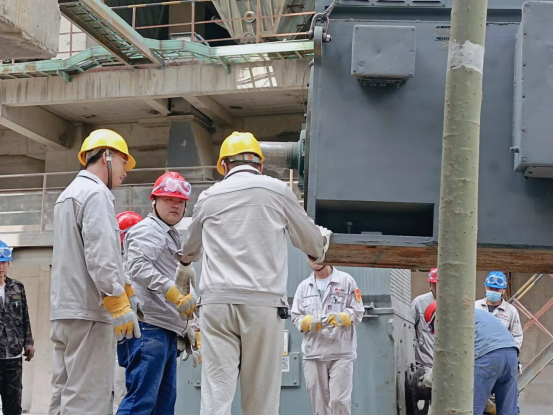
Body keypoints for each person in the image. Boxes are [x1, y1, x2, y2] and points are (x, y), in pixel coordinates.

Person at [180, 131, 332, 415]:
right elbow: (311, 244)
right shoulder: (277, 190)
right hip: (262, 304)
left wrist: (186, 265)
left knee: (215, 396)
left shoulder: (209, 197)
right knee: (261, 401)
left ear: (224, 165)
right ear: (260, 164)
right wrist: (322, 239)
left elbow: (189, 248)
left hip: (216, 305)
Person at [49, 129, 141, 415]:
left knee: (63, 395)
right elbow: (101, 255)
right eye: (124, 162)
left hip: (64, 312)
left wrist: (127, 289)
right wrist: (117, 300)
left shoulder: (67, 195)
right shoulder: (96, 193)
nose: (126, 171)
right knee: (88, 400)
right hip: (89, 313)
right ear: (107, 156)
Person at [117, 172, 197, 415]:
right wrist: (171, 291)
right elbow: (138, 267)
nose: (175, 205)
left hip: (165, 329)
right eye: (168, 199)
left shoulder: (170, 235)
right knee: (140, 403)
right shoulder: (147, 230)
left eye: (180, 201)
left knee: (162, 406)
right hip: (149, 327)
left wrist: (190, 326)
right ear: (154, 201)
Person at [291, 261, 364, 415]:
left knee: (339, 401)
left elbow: (358, 311)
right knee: (319, 406)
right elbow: (296, 317)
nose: (314, 260)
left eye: (316, 255)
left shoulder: (346, 281)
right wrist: (308, 322)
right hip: (314, 353)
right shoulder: (303, 287)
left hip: (341, 352)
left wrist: (343, 317)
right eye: (310, 257)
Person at [425, 302, 519, 415]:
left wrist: (430, 377)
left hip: (487, 356)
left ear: (436, 319)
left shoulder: (449, 320)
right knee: (508, 411)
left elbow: (446, 358)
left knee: (472, 410)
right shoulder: (474, 313)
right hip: (511, 355)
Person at [113, 211, 144, 414]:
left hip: (150, 337)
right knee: (126, 395)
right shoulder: (116, 267)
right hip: (123, 341)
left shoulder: (151, 258)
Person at [0, 241, 34, 415]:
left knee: (13, 405)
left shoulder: (17, 288)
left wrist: (29, 343)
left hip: (13, 356)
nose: (1, 266)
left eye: (3, 262)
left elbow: (24, 317)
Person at [475, 272, 523, 350]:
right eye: (490, 288)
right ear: (485, 288)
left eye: (497, 289)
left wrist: (511, 353)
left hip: (500, 352)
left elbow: (517, 336)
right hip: (478, 352)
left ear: (503, 290)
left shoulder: (511, 311)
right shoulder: (475, 307)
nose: (493, 291)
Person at [411, 268, 437, 368]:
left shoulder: (455, 305)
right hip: (424, 364)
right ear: (431, 284)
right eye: (436, 284)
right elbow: (408, 330)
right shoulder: (419, 302)